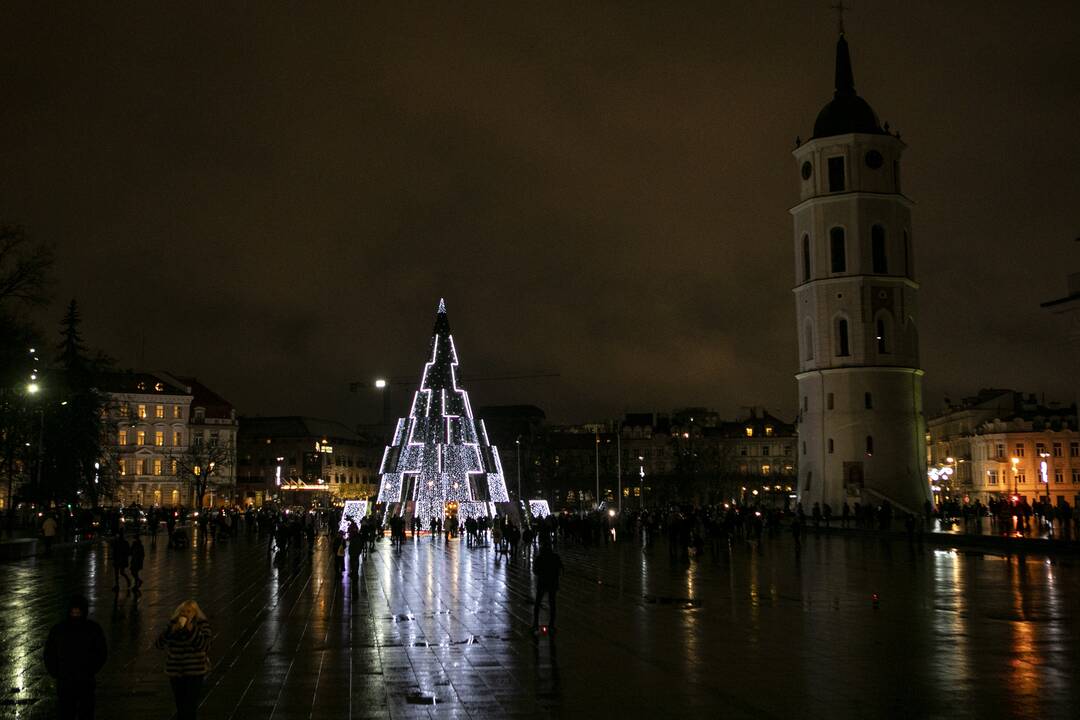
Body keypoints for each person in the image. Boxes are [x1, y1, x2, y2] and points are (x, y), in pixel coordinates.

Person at [44, 595, 107, 719]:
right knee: (67, 712)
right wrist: (57, 672)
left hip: (84, 680)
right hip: (66, 680)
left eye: (78, 613)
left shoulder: (92, 629)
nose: (76, 615)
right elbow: (49, 654)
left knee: (84, 712)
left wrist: (90, 670)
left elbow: (101, 652)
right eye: (73, 612)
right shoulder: (59, 630)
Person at [155, 600, 212, 720]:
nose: (185, 614)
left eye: (189, 611)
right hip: (175, 671)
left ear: (195, 613)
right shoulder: (172, 625)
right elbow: (159, 644)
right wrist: (171, 631)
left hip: (195, 671)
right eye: (183, 611)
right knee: (180, 704)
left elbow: (205, 646)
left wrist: (191, 630)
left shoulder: (202, 625)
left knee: (190, 705)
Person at [532, 537, 564, 634]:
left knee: (537, 604)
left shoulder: (540, 557)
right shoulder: (555, 557)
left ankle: (535, 624)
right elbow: (561, 568)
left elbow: (535, 571)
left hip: (542, 582)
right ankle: (551, 625)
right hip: (552, 583)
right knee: (552, 604)